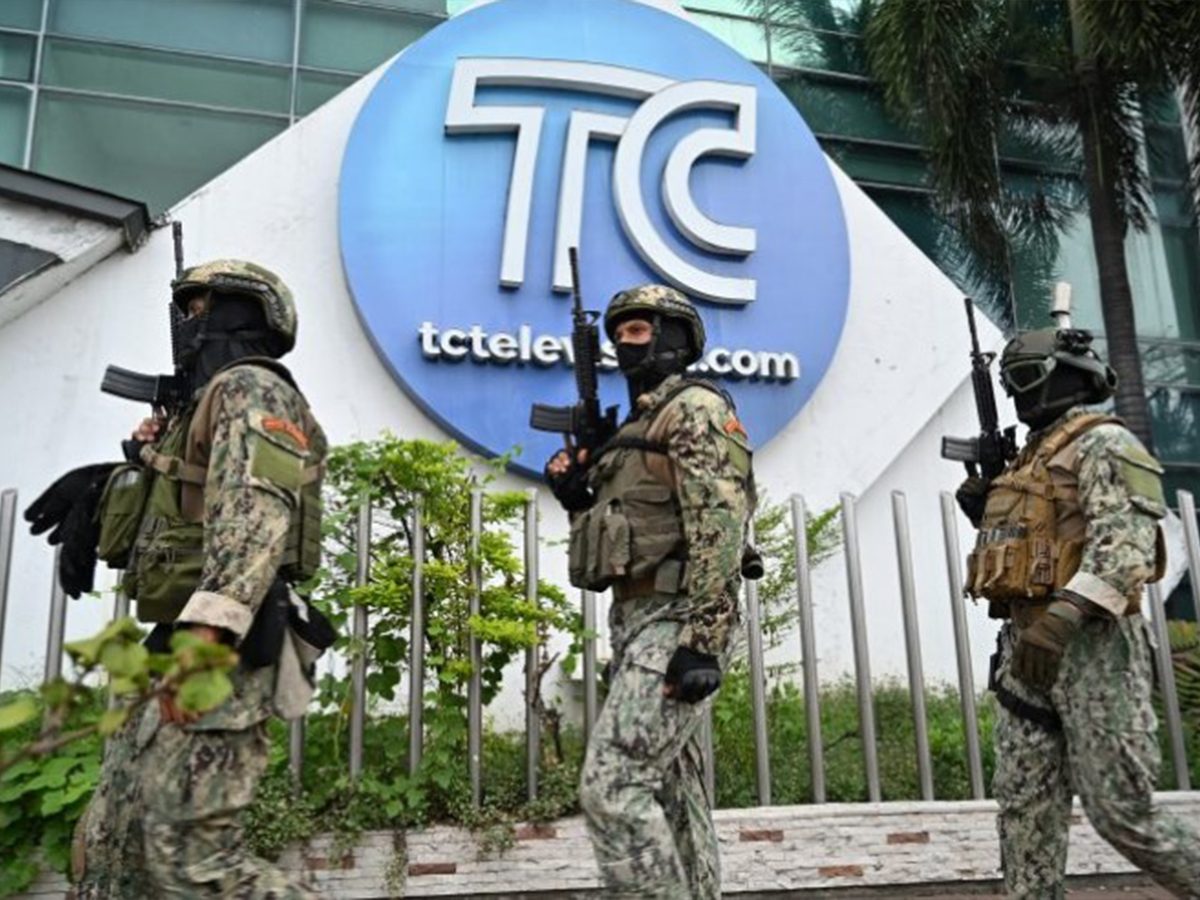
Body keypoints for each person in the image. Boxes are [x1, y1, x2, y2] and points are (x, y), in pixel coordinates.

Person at [30, 259, 330, 899]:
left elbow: (254, 514)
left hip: (221, 649)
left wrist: (208, 635)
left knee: (198, 867)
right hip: (175, 641)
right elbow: (186, 510)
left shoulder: (253, 387)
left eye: (201, 309)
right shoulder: (203, 403)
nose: (189, 323)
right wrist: (120, 477)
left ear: (245, 315)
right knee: (117, 845)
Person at [955, 325, 1200, 900]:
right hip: (1024, 647)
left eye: (1022, 377)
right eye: (1008, 381)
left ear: (1065, 375)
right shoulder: (1029, 457)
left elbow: (1126, 550)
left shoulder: (1104, 442)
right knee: (1025, 808)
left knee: (1121, 809)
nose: (1015, 393)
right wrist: (982, 508)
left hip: (1091, 645)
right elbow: (1031, 546)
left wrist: (1063, 617)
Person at [545, 285, 754, 900]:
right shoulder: (635, 428)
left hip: (676, 619)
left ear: (675, 340)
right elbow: (615, 538)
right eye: (618, 335)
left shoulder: (693, 409)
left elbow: (720, 519)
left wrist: (703, 640)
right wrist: (576, 495)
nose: (624, 344)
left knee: (612, 786)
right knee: (674, 794)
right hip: (636, 622)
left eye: (638, 331)